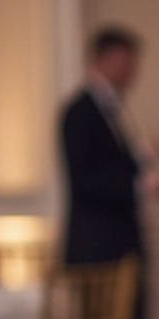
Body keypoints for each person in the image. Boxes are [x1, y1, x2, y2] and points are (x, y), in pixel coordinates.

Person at [59, 26, 146, 267]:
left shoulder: (115, 110)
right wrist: (140, 184)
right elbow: (85, 178)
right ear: (101, 61)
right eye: (124, 64)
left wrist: (141, 156)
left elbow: (112, 161)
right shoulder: (78, 112)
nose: (131, 72)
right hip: (95, 245)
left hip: (122, 241)